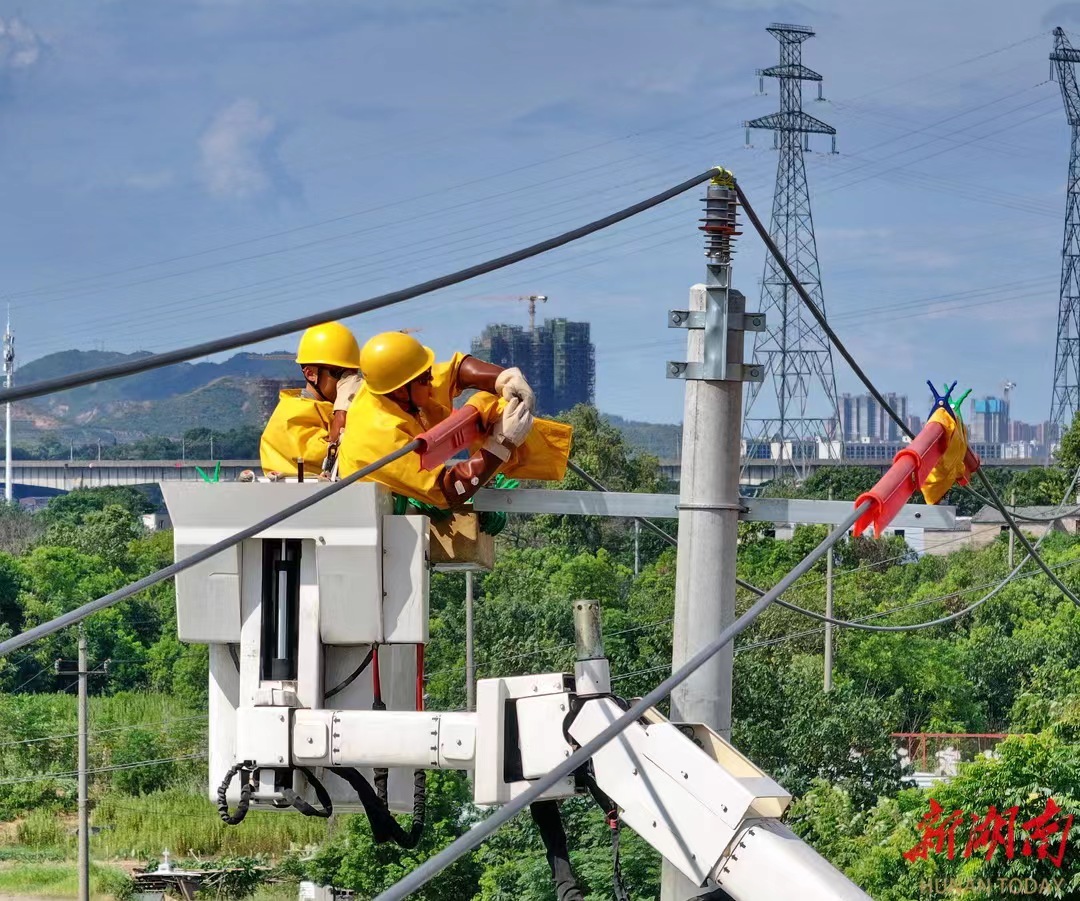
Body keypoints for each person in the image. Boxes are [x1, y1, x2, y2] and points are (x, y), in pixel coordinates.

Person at [337, 331, 572, 507]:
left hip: (395, 510)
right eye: (424, 380)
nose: (431, 383)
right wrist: (501, 444)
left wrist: (501, 378)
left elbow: (455, 372)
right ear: (400, 390)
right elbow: (447, 490)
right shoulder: (379, 435)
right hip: (375, 522)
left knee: (487, 406)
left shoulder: (390, 387)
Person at [259, 321, 362, 478]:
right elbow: (334, 456)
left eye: (352, 374)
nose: (347, 382)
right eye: (340, 373)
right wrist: (343, 407)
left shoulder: (331, 410)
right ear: (310, 374)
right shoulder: (289, 418)